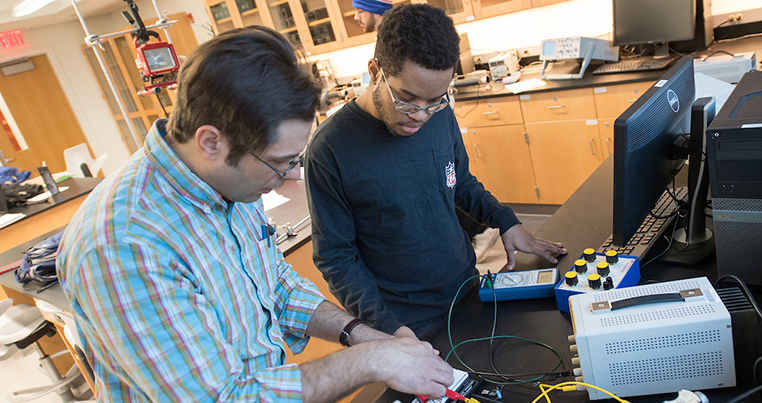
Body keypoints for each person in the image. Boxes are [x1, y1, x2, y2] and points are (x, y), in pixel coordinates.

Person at [57, 26, 455, 403]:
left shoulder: (229, 185)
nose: (285, 178)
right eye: (280, 163)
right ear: (211, 141)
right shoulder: (124, 244)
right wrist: (373, 361)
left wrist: (360, 334)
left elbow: (276, 285)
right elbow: (224, 397)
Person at [305, 4, 567, 342]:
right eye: (407, 100)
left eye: (435, 101)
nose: (421, 116)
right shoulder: (329, 150)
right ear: (374, 71)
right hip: (402, 322)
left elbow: (459, 182)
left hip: (467, 289)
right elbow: (336, 258)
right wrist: (387, 329)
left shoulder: (438, 113)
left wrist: (504, 219)